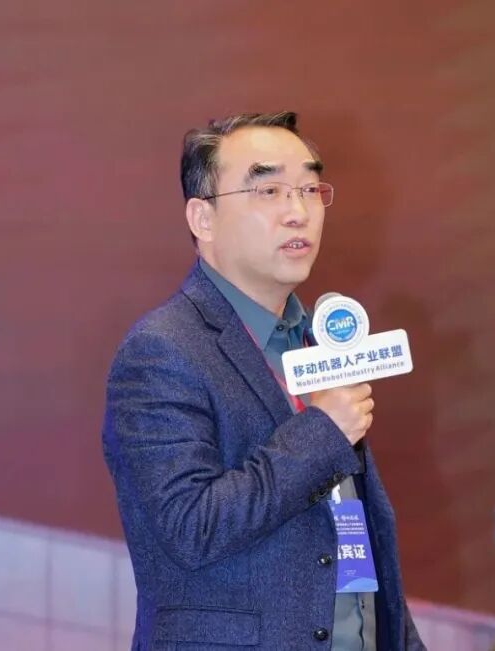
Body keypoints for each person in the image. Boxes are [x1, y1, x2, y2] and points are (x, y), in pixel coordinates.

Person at [102, 111, 425, 650]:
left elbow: (355, 531)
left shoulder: (315, 341)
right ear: (202, 218)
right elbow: (191, 527)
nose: (298, 213)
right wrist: (321, 432)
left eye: (309, 190)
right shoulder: (161, 351)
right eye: (268, 191)